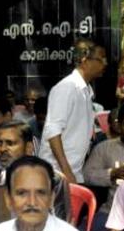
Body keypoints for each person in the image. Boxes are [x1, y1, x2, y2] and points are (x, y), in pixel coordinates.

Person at [0, 121, 70, 231]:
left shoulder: (53, 179)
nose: (2, 149)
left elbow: (59, 230)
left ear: (29, 148)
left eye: (10, 143)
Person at [38, 38, 107, 183]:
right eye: (101, 59)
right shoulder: (67, 87)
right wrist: (67, 173)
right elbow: (53, 132)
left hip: (74, 173)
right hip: (56, 175)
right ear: (84, 59)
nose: (105, 63)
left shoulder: (86, 91)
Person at [84, 102, 124, 210]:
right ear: (119, 125)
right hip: (111, 211)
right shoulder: (104, 148)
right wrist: (111, 174)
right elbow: (87, 175)